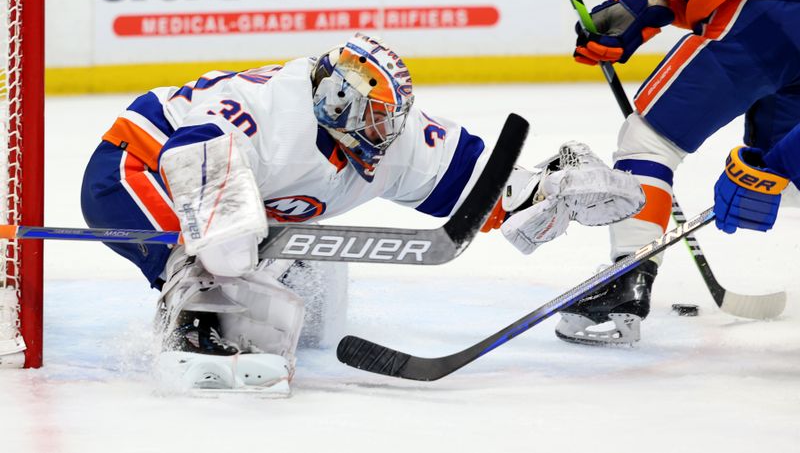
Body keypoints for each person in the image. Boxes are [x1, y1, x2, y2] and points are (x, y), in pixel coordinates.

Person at [81, 32, 644, 393]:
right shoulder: (272, 107)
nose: (384, 134)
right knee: (220, 272)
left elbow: (480, 186)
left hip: (254, 201)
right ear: (337, 102)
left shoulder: (389, 136)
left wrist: (550, 190)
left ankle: (228, 282)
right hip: (138, 167)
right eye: (372, 119)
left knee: (312, 308)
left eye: (388, 121)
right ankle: (195, 319)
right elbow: (195, 150)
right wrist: (221, 247)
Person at [561, 0, 800, 345]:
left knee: (651, 139)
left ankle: (626, 280)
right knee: (786, 167)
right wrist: (655, 8)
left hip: (764, 11)